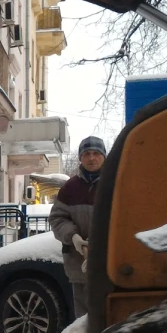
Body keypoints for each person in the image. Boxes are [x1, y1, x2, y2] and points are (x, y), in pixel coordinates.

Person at [49, 136, 106, 318]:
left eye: (96, 153)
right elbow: (57, 218)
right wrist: (73, 237)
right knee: (82, 321)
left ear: (104, 156)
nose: (91, 158)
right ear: (80, 158)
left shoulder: (115, 183)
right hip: (78, 263)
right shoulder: (70, 188)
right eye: (87, 154)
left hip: (109, 263)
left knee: (108, 314)